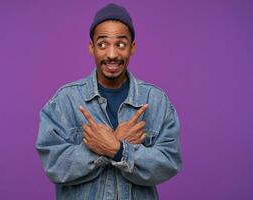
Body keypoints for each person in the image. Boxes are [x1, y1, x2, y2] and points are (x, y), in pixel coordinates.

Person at [36, 3, 182, 200]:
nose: (112, 54)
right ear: (91, 47)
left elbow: (169, 162)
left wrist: (119, 150)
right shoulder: (64, 101)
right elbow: (54, 165)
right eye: (103, 44)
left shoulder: (156, 101)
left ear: (132, 48)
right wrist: (106, 151)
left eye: (120, 44)